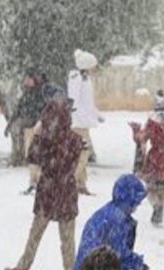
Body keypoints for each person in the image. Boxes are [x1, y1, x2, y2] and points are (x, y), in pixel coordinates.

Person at [4, 99, 84, 270]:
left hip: (48, 189)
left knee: (36, 232)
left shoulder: (46, 139)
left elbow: (32, 157)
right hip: (67, 190)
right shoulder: (75, 139)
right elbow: (73, 163)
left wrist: (37, 136)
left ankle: (23, 268)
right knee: (67, 236)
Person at [72, 174, 149, 270]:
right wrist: (136, 262)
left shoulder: (109, 212)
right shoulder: (117, 220)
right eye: (136, 201)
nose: (138, 205)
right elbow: (118, 252)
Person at [131, 93, 164, 226]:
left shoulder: (152, 122)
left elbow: (142, 138)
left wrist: (136, 132)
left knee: (150, 187)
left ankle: (156, 206)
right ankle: (159, 213)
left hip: (155, 156)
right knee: (162, 187)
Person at [68, 49, 101, 195]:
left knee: (81, 153)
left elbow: (88, 102)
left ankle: (81, 183)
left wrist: (96, 114)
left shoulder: (85, 79)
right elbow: (73, 99)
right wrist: (73, 115)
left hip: (83, 121)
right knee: (83, 152)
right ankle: (72, 180)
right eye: (92, 66)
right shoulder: (77, 78)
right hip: (78, 122)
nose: (94, 69)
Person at [5, 70, 52, 167]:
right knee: (15, 129)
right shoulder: (26, 92)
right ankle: (17, 156)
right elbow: (19, 108)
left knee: (21, 129)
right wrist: (9, 124)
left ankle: (23, 157)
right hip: (26, 118)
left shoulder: (40, 91)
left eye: (28, 79)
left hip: (35, 119)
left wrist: (39, 119)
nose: (25, 81)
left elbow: (43, 108)